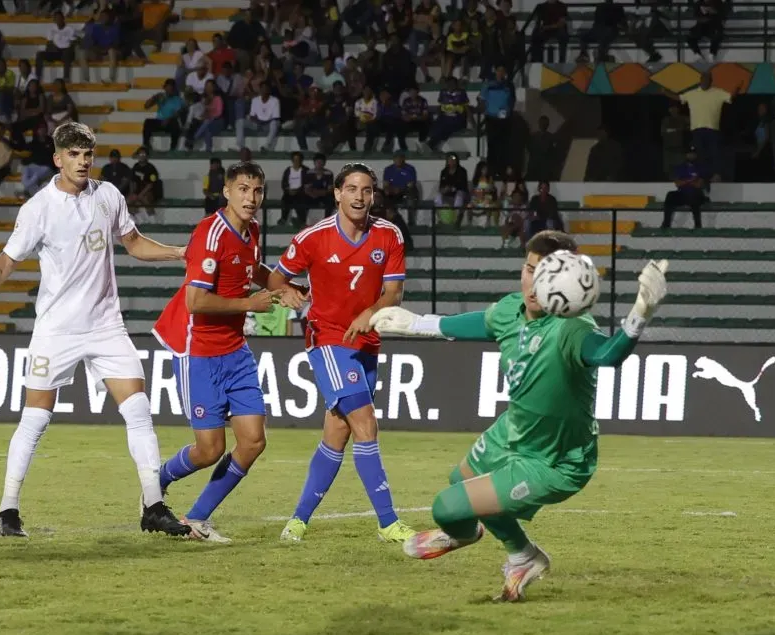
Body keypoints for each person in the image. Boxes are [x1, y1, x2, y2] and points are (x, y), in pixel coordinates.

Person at [368, 231, 669, 601]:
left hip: (554, 458)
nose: (534, 283)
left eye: (546, 274)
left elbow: (608, 354)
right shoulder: (511, 309)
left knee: (447, 508)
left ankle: (465, 534)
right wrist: (417, 323)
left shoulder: (572, 328)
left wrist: (640, 314)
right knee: (459, 479)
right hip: (514, 429)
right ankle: (522, 556)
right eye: (529, 269)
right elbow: (480, 323)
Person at [0, 122, 190, 539]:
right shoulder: (39, 208)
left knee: (138, 409)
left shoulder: (108, 195)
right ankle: (7, 510)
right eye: (74, 154)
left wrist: (178, 252)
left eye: (87, 153)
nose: (82, 161)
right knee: (36, 417)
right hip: (57, 329)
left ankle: (153, 504)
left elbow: (134, 242)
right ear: (58, 159)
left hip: (106, 325)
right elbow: (7, 261)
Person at [267, 163, 417, 544]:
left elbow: (393, 293)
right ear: (337, 193)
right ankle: (388, 522)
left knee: (337, 432)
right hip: (328, 339)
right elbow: (275, 278)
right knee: (366, 423)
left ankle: (297, 521)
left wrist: (371, 312)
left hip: (366, 341)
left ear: (373, 196)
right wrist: (290, 293)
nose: (359, 197)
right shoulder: (313, 238)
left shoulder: (389, 235)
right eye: (351, 189)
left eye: (366, 190)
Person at [153, 162, 288, 542]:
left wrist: (285, 286)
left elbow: (251, 268)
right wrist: (250, 304)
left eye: (258, 190)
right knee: (210, 449)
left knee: (253, 441)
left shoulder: (253, 230)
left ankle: (197, 518)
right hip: (200, 351)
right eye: (243, 189)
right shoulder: (211, 233)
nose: (251, 197)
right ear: (226, 191)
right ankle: (155, 484)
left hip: (235, 351)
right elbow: (195, 301)